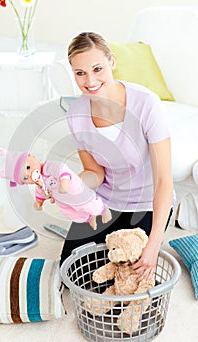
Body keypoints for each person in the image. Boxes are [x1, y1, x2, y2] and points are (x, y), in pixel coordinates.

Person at [60, 31, 174, 281]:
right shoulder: (76, 114)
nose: (89, 81)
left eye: (97, 69)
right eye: (80, 73)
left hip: (146, 205)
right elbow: (95, 174)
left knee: (129, 276)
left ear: (112, 62)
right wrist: (68, 184)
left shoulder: (146, 104)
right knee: (73, 273)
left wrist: (154, 244)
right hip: (107, 203)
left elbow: (165, 180)